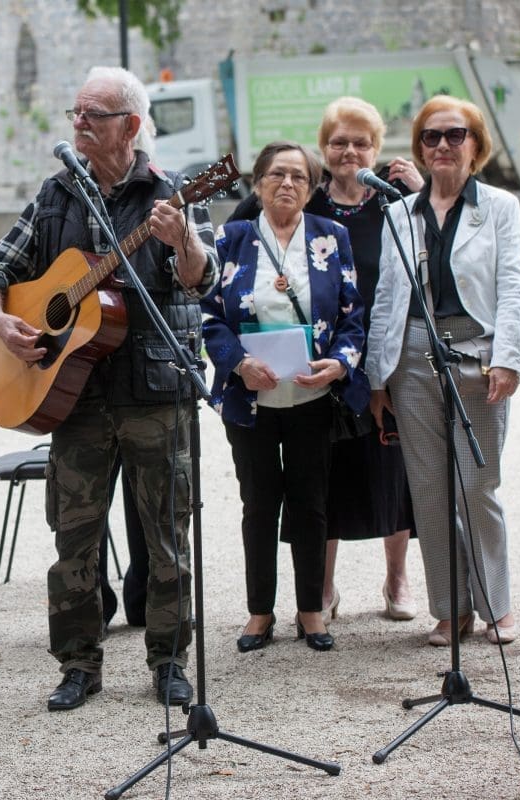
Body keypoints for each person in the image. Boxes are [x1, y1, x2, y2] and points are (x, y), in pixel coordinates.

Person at [0, 66, 216, 710]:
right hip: (74, 397)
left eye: (93, 115)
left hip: (154, 391)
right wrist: (0, 317)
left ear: (131, 126)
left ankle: (169, 661)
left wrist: (182, 238)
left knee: (166, 535)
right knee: (73, 537)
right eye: (76, 113)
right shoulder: (56, 196)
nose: (79, 124)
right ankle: (78, 664)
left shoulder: (173, 192)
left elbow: (201, 280)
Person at [226, 98, 422, 622]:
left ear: (377, 149)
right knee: (321, 482)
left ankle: (396, 579)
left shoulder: (393, 200)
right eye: (339, 141)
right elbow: (238, 237)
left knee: (389, 471)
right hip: (299, 376)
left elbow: (431, 249)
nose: (349, 150)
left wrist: (418, 191)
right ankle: (321, 588)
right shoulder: (301, 200)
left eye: (361, 142)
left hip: (377, 355)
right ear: (324, 150)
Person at [367, 96, 520, 648]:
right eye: (431, 137)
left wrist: (509, 357)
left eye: (454, 135)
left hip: (479, 357)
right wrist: (377, 377)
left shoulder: (501, 207)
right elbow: (387, 298)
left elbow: (513, 288)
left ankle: (496, 605)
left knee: (478, 486)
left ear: (476, 145)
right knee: (430, 489)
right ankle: (449, 609)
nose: (441, 146)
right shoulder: (398, 214)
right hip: (412, 357)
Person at [204, 141, 366, 654]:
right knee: (258, 505)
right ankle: (259, 613)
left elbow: (353, 315)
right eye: (277, 174)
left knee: (310, 504)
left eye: (299, 176)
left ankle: (311, 612)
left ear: (312, 187)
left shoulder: (331, 236)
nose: (288, 184)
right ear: (257, 184)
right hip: (251, 398)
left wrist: (340, 362)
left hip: (311, 395)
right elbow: (208, 316)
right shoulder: (231, 239)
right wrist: (237, 363)